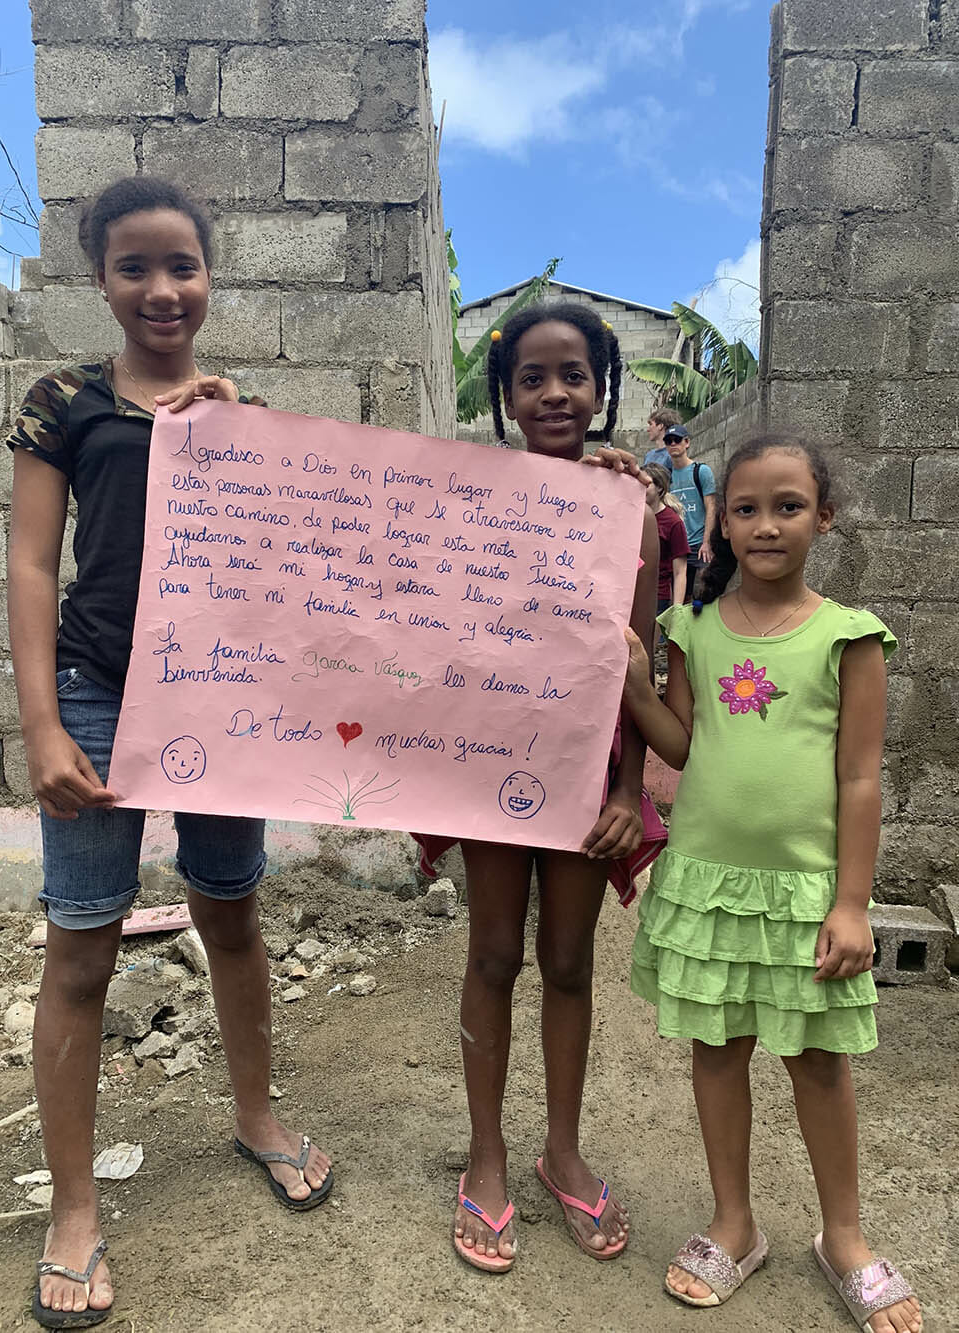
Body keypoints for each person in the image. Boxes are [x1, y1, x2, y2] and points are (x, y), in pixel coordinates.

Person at [7, 176, 333, 1330]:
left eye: (182, 265)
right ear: (99, 276)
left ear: (211, 276)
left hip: (217, 702)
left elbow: (293, 568)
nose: (161, 288)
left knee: (232, 911)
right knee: (80, 952)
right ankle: (77, 1208)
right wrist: (43, 724)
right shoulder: (62, 403)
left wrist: (237, 434)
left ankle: (256, 1115)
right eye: (135, 266)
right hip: (98, 693)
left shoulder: (240, 408)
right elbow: (35, 569)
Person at [620, 435, 922, 1332]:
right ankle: (733, 1221)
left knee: (818, 1062)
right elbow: (683, 747)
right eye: (746, 508)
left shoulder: (849, 636)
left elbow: (860, 777)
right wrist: (639, 687)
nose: (765, 524)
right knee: (716, 1053)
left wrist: (853, 901)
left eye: (788, 506)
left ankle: (845, 1236)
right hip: (711, 888)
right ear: (722, 519)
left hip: (805, 895)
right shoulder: (697, 632)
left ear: (823, 518)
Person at [414, 303, 665, 1273]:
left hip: (582, 772)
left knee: (566, 961)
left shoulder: (629, 507)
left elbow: (641, 665)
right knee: (490, 957)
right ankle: (485, 1155)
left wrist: (627, 789)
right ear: (505, 395)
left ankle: (560, 1145)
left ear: (603, 389)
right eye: (532, 376)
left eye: (573, 375)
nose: (554, 393)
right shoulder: (467, 498)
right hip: (488, 766)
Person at [664, 424, 716, 602]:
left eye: (677, 440)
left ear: (686, 443)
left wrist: (707, 542)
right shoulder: (667, 475)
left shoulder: (701, 471)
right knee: (677, 597)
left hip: (698, 544)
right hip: (676, 545)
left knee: (702, 596)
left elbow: (711, 507)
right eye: (668, 441)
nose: (673, 444)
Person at [644, 462, 689, 614]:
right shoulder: (631, 514)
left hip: (658, 596)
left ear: (660, 488)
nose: (640, 486)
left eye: (646, 483)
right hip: (629, 592)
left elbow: (680, 571)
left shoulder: (673, 522)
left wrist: (677, 610)